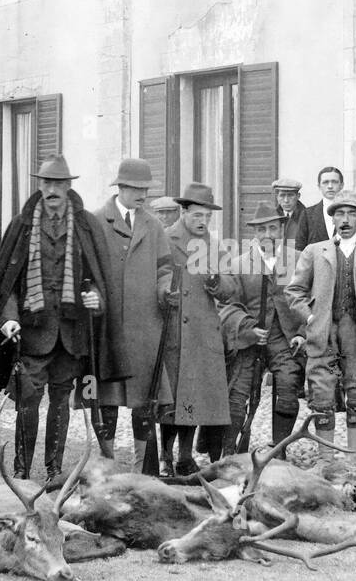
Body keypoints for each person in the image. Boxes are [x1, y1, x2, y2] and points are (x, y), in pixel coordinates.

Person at [0, 156, 127, 482]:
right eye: (47, 183)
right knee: (27, 399)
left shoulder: (87, 225)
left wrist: (96, 299)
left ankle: (54, 470)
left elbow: (101, 280)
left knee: (61, 400)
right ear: (39, 185)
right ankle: (21, 471)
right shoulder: (21, 226)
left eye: (59, 183)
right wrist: (9, 318)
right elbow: (7, 284)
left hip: (72, 333)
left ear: (69, 186)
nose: (53, 189)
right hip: (32, 332)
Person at [287, 191, 356, 452]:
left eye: (352, 214)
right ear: (333, 219)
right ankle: (326, 458)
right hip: (323, 331)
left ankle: (354, 457)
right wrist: (311, 317)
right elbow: (294, 292)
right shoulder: (315, 251)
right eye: (340, 213)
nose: (345, 219)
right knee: (322, 394)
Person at [95, 159, 173, 474]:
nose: (142, 195)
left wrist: (166, 291)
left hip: (145, 329)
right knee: (107, 401)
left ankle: (143, 471)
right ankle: (107, 470)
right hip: (109, 329)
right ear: (121, 187)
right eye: (137, 189)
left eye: (145, 189)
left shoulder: (153, 226)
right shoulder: (98, 221)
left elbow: (164, 269)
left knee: (145, 401)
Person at [158, 183, 234, 473]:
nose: (202, 222)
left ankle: (185, 456)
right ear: (184, 211)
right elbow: (160, 275)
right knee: (171, 399)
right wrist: (166, 291)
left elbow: (231, 287)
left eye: (207, 217)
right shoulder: (166, 239)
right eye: (197, 216)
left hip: (202, 332)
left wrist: (217, 282)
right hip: (174, 331)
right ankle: (165, 456)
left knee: (195, 399)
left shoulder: (214, 245)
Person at [218, 202, 306, 451]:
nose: (267, 235)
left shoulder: (298, 260)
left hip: (284, 338)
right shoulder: (238, 264)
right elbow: (228, 306)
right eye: (261, 230)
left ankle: (279, 449)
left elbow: (311, 301)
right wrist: (247, 328)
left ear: (281, 229)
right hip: (249, 340)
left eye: (272, 228)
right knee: (237, 394)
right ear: (254, 234)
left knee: (288, 386)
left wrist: (302, 334)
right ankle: (230, 452)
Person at [296, 166, 356, 250]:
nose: (330, 186)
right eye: (325, 182)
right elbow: (300, 247)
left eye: (334, 182)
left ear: (342, 185)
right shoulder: (307, 214)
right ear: (319, 186)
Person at [271, 177, 306, 250]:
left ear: (298, 196)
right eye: (282, 195)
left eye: (290, 195)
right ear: (277, 197)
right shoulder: (272, 217)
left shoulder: (307, 217)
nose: (286, 200)